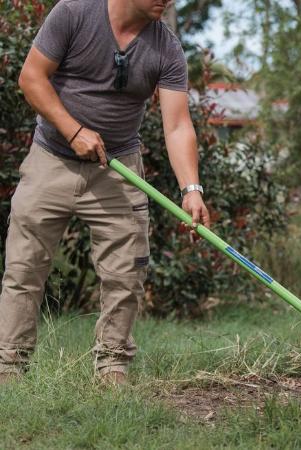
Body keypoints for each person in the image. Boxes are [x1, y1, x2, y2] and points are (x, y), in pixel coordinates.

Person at [0, 0, 210, 385]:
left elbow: (178, 125)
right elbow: (31, 78)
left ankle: (113, 366)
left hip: (118, 168)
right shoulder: (74, 13)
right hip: (52, 157)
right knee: (24, 268)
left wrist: (191, 189)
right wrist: (74, 130)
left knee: (126, 273)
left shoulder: (166, 47)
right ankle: (9, 368)